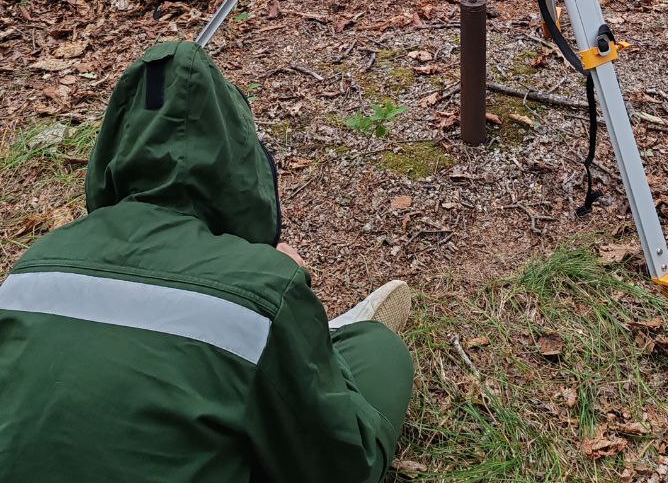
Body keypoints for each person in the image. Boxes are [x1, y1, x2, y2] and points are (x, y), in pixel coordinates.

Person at [0, 40, 415, 482]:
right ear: (242, 166)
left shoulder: (34, 264)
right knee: (375, 348)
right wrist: (283, 289)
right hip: (263, 321)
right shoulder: (265, 284)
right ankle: (319, 348)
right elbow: (340, 466)